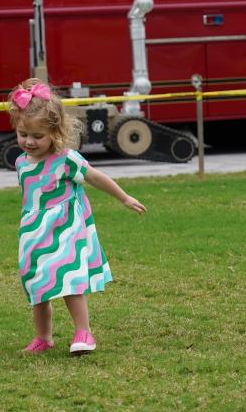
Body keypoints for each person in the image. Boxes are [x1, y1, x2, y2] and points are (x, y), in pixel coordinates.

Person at [9, 79, 145, 355]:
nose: (29, 141)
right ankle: (43, 337)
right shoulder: (21, 163)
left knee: (68, 278)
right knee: (39, 285)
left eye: (37, 136)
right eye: (23, 134)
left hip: (65, 229)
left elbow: (96, 177)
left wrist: (124, 198)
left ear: (55, 133)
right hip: (35, 232)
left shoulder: (66, 159)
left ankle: (84, 332)